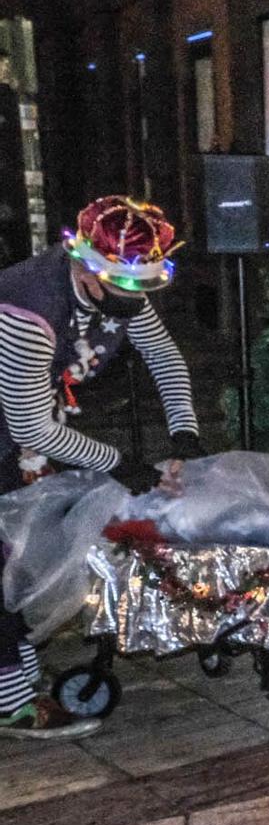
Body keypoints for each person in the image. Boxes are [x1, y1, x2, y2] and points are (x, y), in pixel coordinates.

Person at [0, 196, 205, 740]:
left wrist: (185, 432)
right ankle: (12, 705)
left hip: (17, 431)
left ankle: (16, 685)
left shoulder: (125, 286)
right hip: (12, 427)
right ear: (87, 267)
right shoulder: (28, 308)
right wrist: (121, 464)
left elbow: (163, 357)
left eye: (145, 288)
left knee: (12, 561)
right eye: (124, 289)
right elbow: (30, 429)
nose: (135, 301)